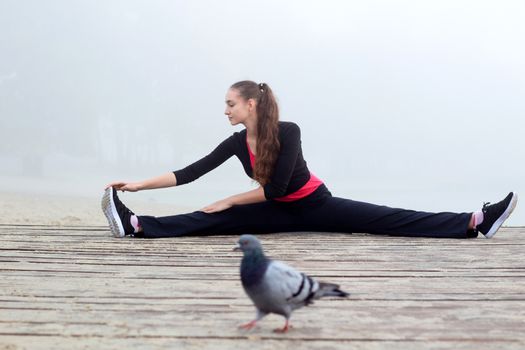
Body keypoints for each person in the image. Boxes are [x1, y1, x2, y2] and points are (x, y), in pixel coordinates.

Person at [101, 80, 518, 239]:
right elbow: (189, 173)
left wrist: (229, 199)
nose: (225, 111)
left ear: (250, 104)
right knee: (211, 219)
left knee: (387, 218)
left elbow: (279, 188)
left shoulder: (287, 131)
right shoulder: (235, 142)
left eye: (230, 104)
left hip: (316, 203)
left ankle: (476, 221)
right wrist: (137, 185)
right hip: (276, 213)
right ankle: (134, 224)